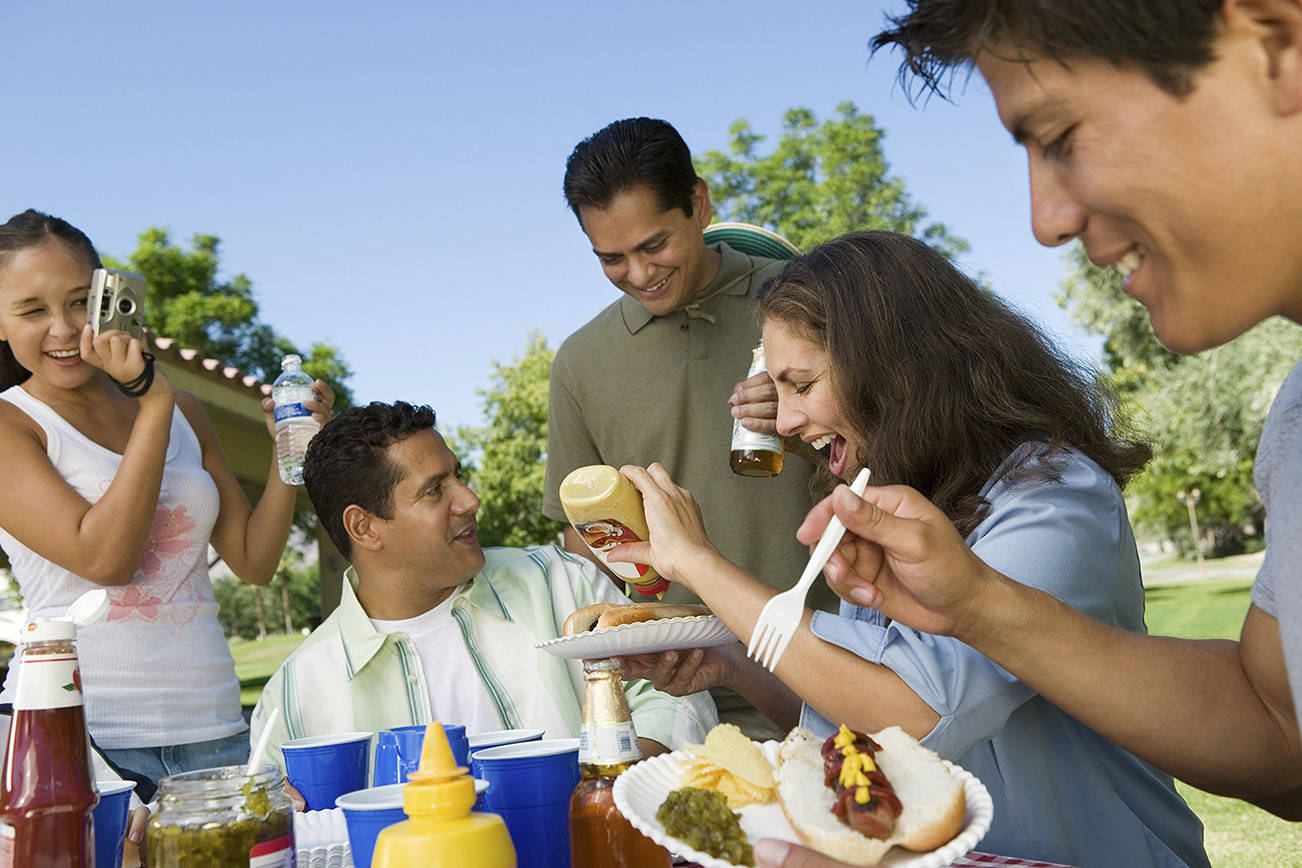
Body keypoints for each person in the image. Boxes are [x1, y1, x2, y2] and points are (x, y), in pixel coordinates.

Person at [614, 232, 1211, 867]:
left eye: (801, 384)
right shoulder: (895, 496)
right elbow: (857, 721)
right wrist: (734, 662)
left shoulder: (1051, 497)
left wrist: (697, 563)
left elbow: (916, 711)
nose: (783, 423)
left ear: (896, 370)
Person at [0, 210, 334, 799]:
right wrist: (152, 401)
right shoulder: (14, 423)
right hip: (89, 741)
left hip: (217, 728)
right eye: (32, 310)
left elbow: (254, 562)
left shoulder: (185, 411)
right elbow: (104, 559)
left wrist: (290, 448)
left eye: (81, 302)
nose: (63, 328)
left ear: (110, 297)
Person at [546, 117, 830, 740]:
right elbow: (579, 539)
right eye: (611, 258)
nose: (640, 273)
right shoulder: (579, 362)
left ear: (699, 204)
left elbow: (890, 466)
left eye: (654, 246)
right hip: (676, 706)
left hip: (831, 677)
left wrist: (800, 415)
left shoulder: (810, 306)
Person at [249, 401, 716, 772]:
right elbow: (271, 817)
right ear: (364, 528)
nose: (470, 500)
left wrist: (602, 794)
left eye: (459, 475)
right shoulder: (293, 695)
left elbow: (675, 697)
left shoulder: (562, 582)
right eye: (435, 490)